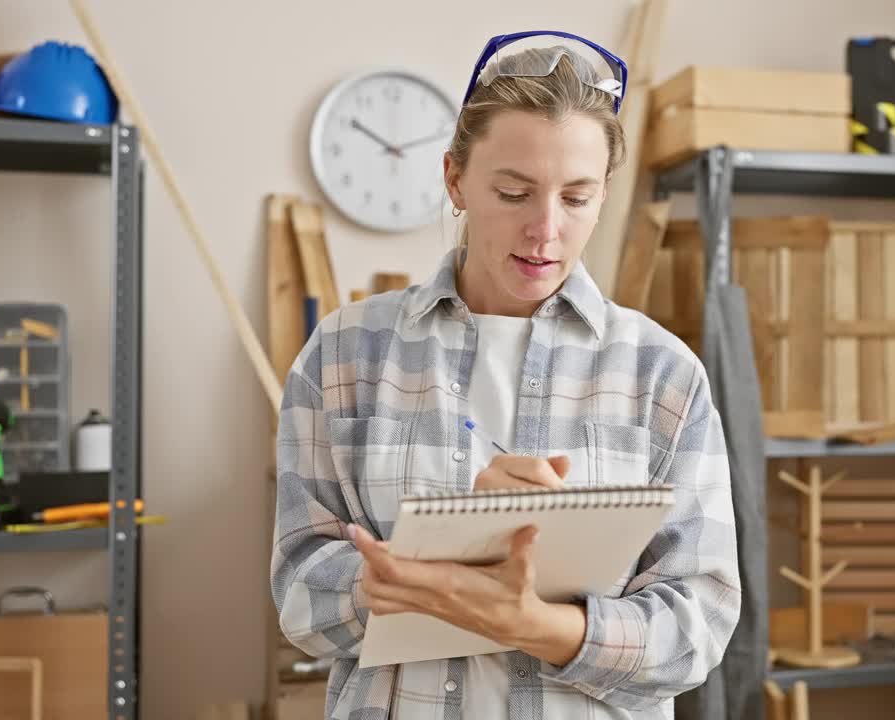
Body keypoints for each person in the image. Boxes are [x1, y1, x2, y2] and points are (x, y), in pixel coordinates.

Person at [271, 31, 740, 719]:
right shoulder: (347, 354)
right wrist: (443, 558)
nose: (545, 231)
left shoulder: (662, 374)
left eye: (576, 199)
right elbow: (300, 598)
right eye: (515, 192)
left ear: (605, 193)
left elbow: (698, 626)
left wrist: (538, 626)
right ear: (455, 179)